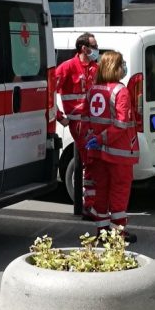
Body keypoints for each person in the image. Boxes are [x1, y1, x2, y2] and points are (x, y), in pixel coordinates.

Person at [84, 50, 140, 243]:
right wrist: (102, 139)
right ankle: (117, 235)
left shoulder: (93, 90)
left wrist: (94, 140)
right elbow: (121, 124)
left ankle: (101, 231)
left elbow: (86, 119)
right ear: (113, 68)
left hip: (98, 153)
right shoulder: (120, 91)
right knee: (119, 192)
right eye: (121, 64)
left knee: (101, 192)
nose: (123, 67)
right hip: (119, 153)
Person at [53, 33, 100, 218]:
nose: (97, 49)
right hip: (79, 123)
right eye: (94, 46)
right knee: (90, 161)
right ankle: (90, 206)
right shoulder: (67, 68)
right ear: (83, 48)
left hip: (95, 122)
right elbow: (49, 93)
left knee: (95, 162)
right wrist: (59, 117)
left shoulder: (96, 68)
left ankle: (94, 205)